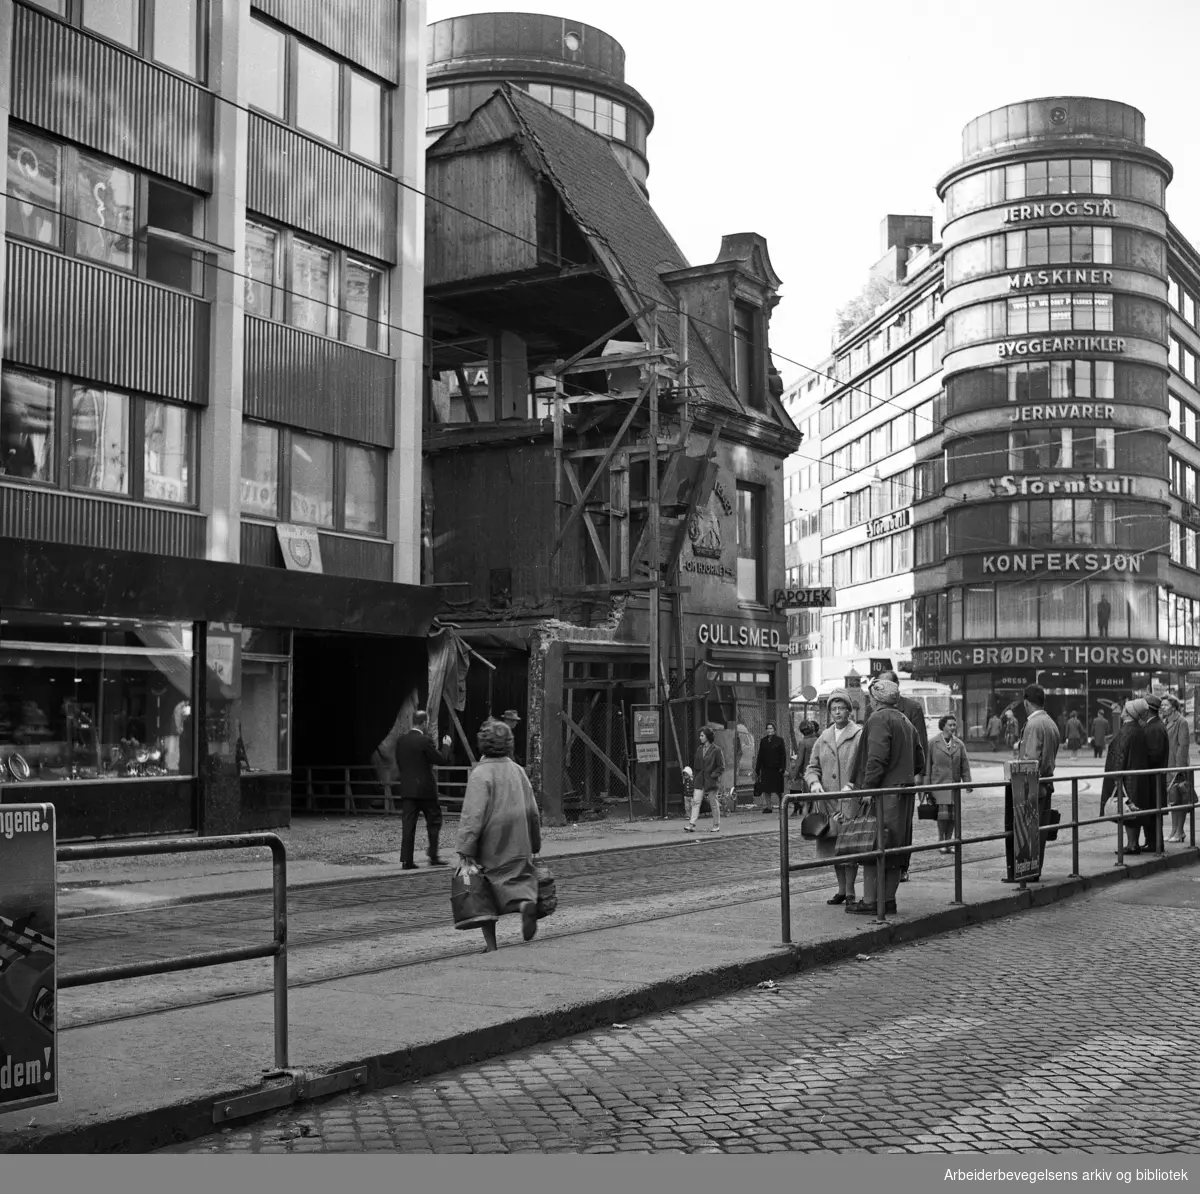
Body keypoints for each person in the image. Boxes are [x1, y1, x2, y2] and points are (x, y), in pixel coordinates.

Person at [455, 720, 541, 952]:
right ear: (509, 744)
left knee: (483, 894)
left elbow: (473, 815)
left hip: (490, 845)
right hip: (519, 841)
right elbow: (533, 811)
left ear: (482, 745)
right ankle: (524, 906)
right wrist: (535, 841)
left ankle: (491, 946)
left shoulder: (480, 774)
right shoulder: (518, 771)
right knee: (516, 884)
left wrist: (465, 848)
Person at [845, 677, 924, 915]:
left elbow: (876, 758)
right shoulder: (905, 721)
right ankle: (888, 900)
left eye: (870, 697)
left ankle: (870, 901)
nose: (869, 701)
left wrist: (869, 787)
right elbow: (919, 760)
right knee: (895, 847)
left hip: (883, 794)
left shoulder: (879, 719)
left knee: (873, 843)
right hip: (903, 793)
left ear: (876, 699)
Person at [803, 690, 862, 906]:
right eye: (834, 709)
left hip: (850, 801)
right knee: (834, 845)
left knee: (850, 846)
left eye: (841, 708)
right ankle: (841, 890)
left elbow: (865, 766)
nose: (837, 712)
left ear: (849, 710)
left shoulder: (858, 735)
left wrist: (853, 785)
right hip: (828, 802)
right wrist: (814, 782)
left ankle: (851, 891)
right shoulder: (823, 738)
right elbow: (811, 767)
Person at [1004, 684, 1060, 881]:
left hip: (1031, 786)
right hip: (1046, 783)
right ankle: (1034, 870)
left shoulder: (1033, 724)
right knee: (1039, 833)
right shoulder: (1050, 722)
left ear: (1026, 702)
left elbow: (1029, 759)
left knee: (1026, 831)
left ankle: (1026, 873)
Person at [877, 670, 928, 884]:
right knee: (881, 824)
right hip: (881, 778)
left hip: (904, 775)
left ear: (897, 687)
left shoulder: (912, 708)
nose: (883, 690)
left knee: (903, 825)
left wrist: (921, 777)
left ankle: (902, 866)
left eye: (887, 685)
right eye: (880, 686)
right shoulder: (875, 707)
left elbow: (921, 743)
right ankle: (881, 864)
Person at [394, 710, 453, 869]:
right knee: (434, 821)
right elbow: (441, 759)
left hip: (408, 789)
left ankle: (407, 860)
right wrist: (446, 746)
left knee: (408, 825)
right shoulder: (425, 741)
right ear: (424, 723)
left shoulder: (401, 741)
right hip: (425, 790)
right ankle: (433, 856)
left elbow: (400, 763)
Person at [1101, 701, 1148, 855]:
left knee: (1128, 811)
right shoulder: (1138, 730)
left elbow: (1119, 755)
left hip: (1127, 779)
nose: (1121, 711)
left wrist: (1115, 775)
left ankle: (1131, 845)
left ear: (1128, 713)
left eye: (1124, 709)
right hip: (1137, 778)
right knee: (1134, 811)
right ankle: (1133, 843)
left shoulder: (1126, 730)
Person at [927, 713, 972, 853]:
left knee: (953, 816)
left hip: (954, 786)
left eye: (954, 725)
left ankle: (950, 841)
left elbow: (965, 764)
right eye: (950, 725)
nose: (953, 727)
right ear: (943, 726)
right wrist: (926, 786)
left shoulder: (959, 744)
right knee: (942, 816)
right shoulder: (933, 743)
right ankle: (942, 842)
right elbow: (927, 765)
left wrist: (968, 783)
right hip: (938, 785)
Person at [1137, 695, 1169, 853]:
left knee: (1152, 811)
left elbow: (1154, 755)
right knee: (1151, 812)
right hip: (1154, 779)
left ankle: (1154, 843)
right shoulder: (1155, 725)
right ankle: (1152, 842)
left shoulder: (1154, 728)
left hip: (1152, 779)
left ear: (1148, 710)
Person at [1162, 695, 1193, 843]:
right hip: (1168, 766)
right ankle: (1174, 829)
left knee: (1180, 800)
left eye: (1166, 705)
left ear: (1173, 707)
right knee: (1173, 800)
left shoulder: (1181, 722)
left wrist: (1178, 768)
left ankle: (1180, 831)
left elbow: (1183, 745)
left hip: (1177, 768)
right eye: (1162, 705)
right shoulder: (1165, 721)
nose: (1163, 707)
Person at [687, 726, 724, 833]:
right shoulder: (699, 749)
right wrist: (696, 776)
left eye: (702, 735)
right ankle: (691, 824)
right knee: (696, 801)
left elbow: (721, 766)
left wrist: (713, 775)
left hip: (711, 780)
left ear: (708, 737)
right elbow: (696, 766)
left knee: (713, 802)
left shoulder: (716, 750)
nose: (700, 737)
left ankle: (716, 824)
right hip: (700, 779)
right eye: (700, 735)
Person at [786, 720, 820, 816]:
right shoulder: (819, 740)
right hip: (820, 770)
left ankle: (809, 816)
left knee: (808, 795)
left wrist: (793, 775)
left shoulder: (803, 742)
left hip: (808, 772)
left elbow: (799, 761)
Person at [755, 721, 788, 815]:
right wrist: (758, 769)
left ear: (774, 729)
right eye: (768, 728)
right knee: (766, 789)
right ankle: (768, 807)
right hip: (766, 768)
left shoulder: (779, 740)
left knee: (778, 789)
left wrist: (782, 767)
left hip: (777, 768)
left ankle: (782, 805)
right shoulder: (763, 741)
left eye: (771, 728)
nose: (769, 730)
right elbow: (760, 755)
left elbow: (783, 755)